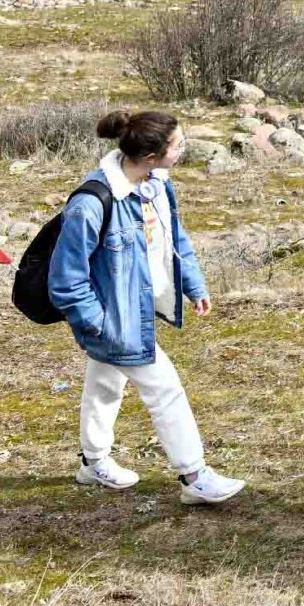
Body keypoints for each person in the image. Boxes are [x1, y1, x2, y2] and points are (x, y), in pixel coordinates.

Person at [49, 110, 243, 506]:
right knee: (165, 389)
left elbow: (174, 239)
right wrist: (100, 326)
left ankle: (93, 462)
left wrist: (193, 284)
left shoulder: (157, 185)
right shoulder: (92, 204)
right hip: (116, 319)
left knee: (105, 384)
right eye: (178, 144)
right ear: (152, 154)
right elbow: (66, 280)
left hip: (132, 306)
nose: (184, 147)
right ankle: (194, 476)